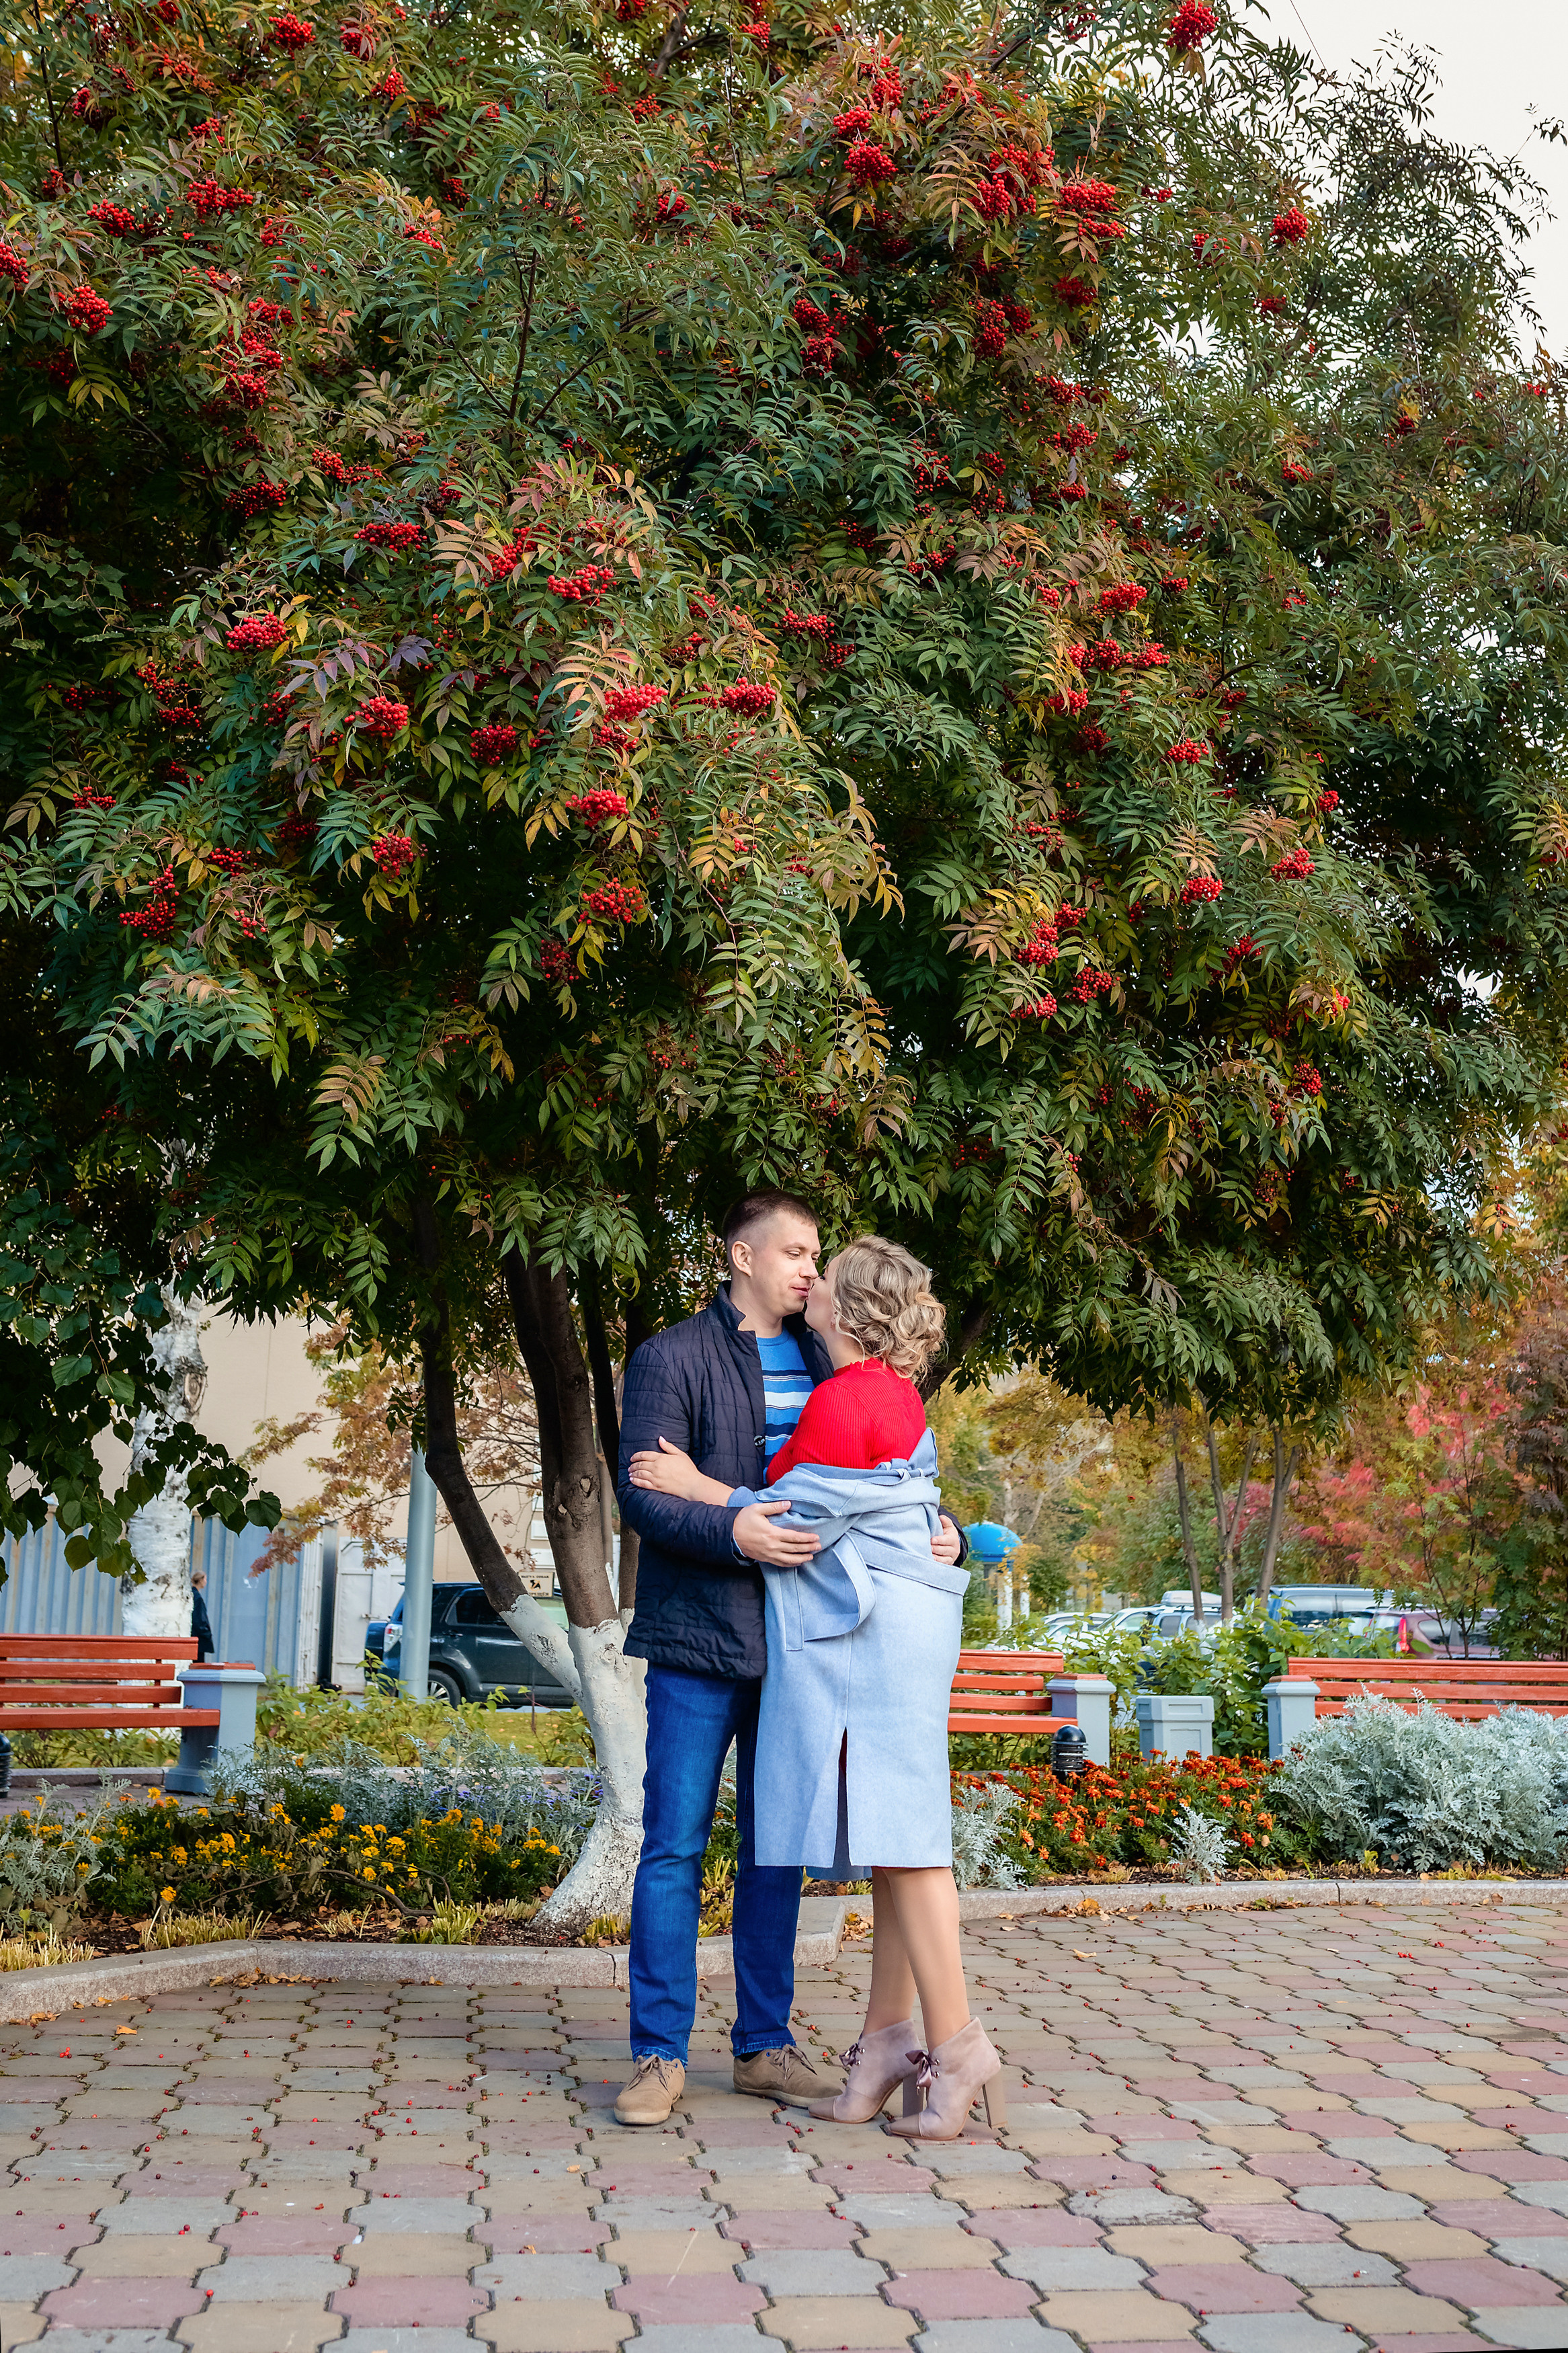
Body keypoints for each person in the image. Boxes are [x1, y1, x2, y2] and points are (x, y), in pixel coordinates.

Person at [630, 1235, 1003, 2141]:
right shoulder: (881, 1391)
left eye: (825, 1276)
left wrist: (694, 1485)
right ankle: (886, 2044)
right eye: (799, 1260)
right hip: (872, 1634)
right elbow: (895, 1501)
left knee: (908, 1842)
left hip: (865, 1644)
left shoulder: (843, 1396)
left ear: (849, 1311)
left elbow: (792, 1520)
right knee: (890, 1841)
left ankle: (958, 2048)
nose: (811, 1283)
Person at [190, 1569, 214, 1663]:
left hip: (193, 1637)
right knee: (198, 1666)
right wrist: (207, 1634)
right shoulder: (198, 1598)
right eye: (205, 1579)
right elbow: (199, 1619)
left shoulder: (191, 1594)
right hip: (198, 1639)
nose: (206, 1582)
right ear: (200, 1580)